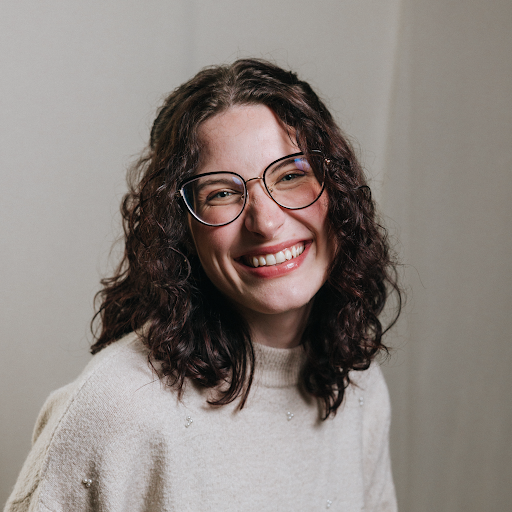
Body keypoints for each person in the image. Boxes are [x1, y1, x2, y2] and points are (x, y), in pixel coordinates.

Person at [5, 59, 401, 512]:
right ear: (181, 230)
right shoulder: (119, 409)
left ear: (340, 192)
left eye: (291, 175)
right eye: (222, 193)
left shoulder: (358, 384)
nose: (266, 222)